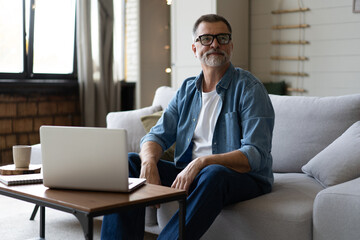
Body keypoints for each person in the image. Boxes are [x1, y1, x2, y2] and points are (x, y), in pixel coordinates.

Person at [101, 14, 275, 240]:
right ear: (195, 49)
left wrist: (201, 162)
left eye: (222, 38)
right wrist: (148, 161)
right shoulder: (186, 91)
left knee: (213, 173)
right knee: (129, 162)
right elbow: (156, 136)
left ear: (231, 46)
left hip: (242, 178)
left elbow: (255, 154)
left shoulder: (249, 88)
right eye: (206, 39)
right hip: (192, 174)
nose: (215, 44)